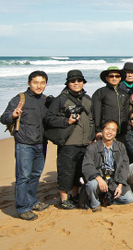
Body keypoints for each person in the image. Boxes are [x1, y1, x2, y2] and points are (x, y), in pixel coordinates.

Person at [1, 71, 50, 221]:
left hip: (41, 143)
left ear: (46, 84)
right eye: (35, 82)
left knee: (35, 175)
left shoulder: (46, 100)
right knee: (23, 177)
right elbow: (3, 118)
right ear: (29, 83)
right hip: (24, 144)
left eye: (42, 83)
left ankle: (33, 201)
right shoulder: (20, 98)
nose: (39, 86)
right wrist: (13, 115)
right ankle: (23, 208)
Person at [44, 70, 94, 209]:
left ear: (83, 82)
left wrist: (91, 137)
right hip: (68, 142)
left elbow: (91, 119)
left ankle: (74, 195)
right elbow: (49, 118)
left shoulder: (87, 99)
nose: (76, 83)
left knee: (79, 171)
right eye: (73, 81)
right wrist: (67, 121)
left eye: (79, 80)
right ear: (68, 83)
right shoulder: (61, 99)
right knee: (66, 171)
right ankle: (64, 199)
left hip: (85, 142)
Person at [82, 121, 133, 211]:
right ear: (102, 130)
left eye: (113, 130)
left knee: (128, 199)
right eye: (108, 129)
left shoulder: (121, 146)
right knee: (91, 185)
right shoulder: (92, 147)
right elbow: (87, 166)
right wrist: (98, 178)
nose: (110, 132)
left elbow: (124, 167)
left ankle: (106, 200)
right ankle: (95, 204)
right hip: (99, 179)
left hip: (114, 180)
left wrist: (120, 185)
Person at [92, 66, 130, 141]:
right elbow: (96, 113)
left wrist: (128, 128)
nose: (114, 78)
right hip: (107, 132)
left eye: (117, 76)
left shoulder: (124, 93)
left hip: (122, 131)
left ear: (120, 78)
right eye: (111, 76)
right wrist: (98, 130)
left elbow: (127, 112)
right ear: (106, 78)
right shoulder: (100, 92)